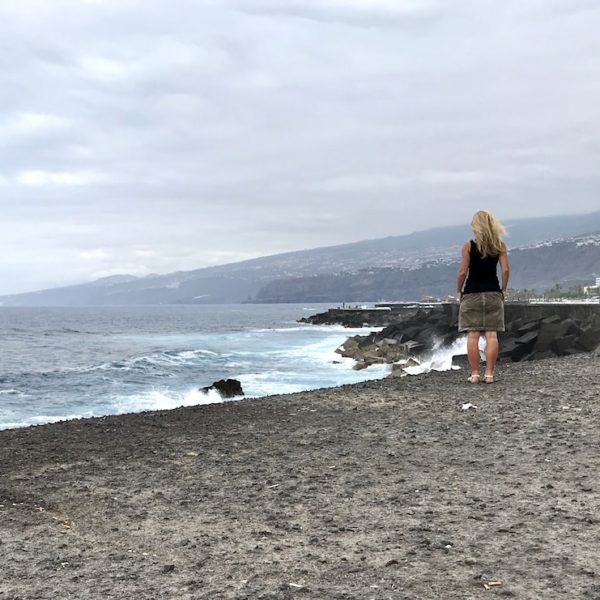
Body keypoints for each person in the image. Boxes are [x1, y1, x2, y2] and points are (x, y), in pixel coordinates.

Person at [456, 210, 510, 384]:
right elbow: (506, 270)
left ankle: (474, 374)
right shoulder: (499, 245)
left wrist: (459, 290)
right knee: (491, 335)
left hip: (472, 294)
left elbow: (463, 272)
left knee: (472, 335)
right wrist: (503, 289)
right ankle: (489, 374)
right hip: (493, 292)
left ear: (475, 227)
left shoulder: (468, 246)